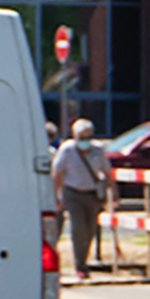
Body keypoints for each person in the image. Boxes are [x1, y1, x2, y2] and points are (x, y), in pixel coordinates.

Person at [51, 118, 114, 281]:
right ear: (74, 135)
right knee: (78, 228)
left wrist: (113, 193)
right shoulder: (66, 150)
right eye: (82, 137)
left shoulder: (98, 150)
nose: (85, 141)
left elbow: (107, 173)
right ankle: (80, 266)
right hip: (72, 193)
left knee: (90, 230)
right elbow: (57, 173)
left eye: (88, 137)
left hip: (92, 195)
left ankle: (83, 259)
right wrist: (56, 195)